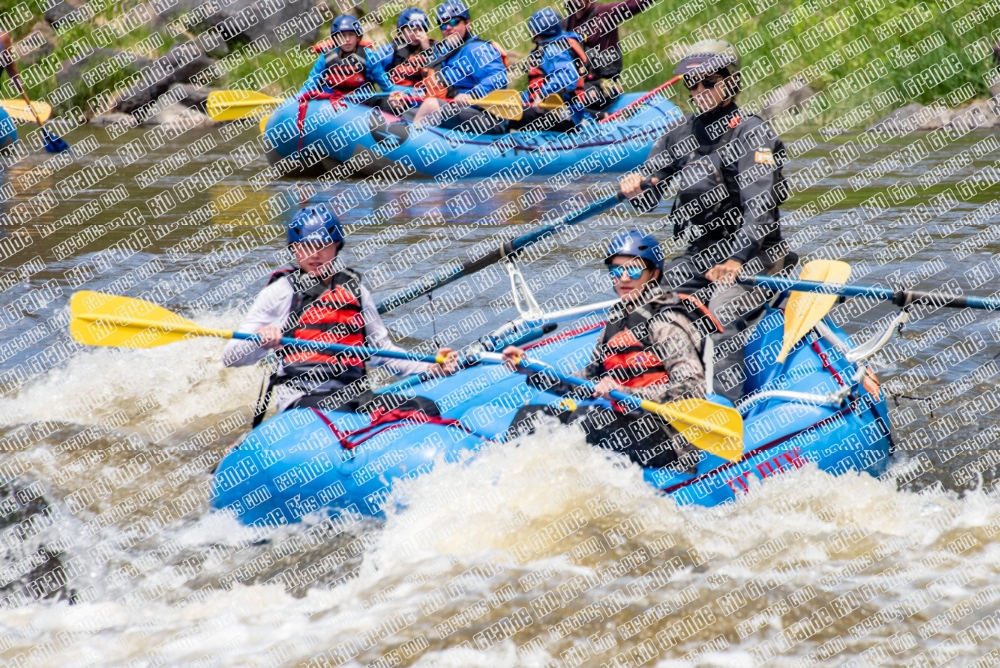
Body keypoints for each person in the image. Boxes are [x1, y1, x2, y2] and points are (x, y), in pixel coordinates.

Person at [619, 40, 790, 404]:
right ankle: (655, 390)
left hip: (756, 255)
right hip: (703, 254)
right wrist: (637, 185)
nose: (699, 92)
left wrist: (735, 261)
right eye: (692, 85)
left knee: (723, 310)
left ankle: (722, 408)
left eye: (708, 82)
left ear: (731, 82)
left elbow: (759, 211)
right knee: (650, 300)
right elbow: (650, 193)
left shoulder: (752, 133)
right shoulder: (680, 134)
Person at [223, 206, 458, 422]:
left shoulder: (357, 292)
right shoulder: (279, 293)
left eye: (322, 245)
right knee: (343, 413)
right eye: (306, 246)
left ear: (337, 245)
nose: (314, 255)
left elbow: (383, 353)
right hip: (302, 400)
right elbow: (230, 357)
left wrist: (431, 367)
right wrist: (261, 341)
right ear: (294, 248)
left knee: (425, 407)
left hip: (355, 396)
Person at [502, 232, 709, 472]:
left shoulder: (666, 323)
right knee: (531, 415)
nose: (623, 278)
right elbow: (588, 381)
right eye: (615, 271)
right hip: (623, 423)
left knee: (590, 417)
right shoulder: (616, 321)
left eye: (633, 271)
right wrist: (531, 371)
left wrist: (625, 392)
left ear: (654, 274)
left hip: (668, 438)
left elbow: (693, 388)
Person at [408, 0, 508, 133]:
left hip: (484, 116)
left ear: (467, 23)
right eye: (443, 25)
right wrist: (406, 97)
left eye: (454, 22)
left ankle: (414, 146)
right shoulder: (444, 55)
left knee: (431, 106)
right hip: (453, 111)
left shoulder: (478, 49)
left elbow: (498, 77)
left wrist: (472, 95)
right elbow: (432, 90)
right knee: (407, 114)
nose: (448, 27)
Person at [563, 0, 656, 112]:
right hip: (578, 84)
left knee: (572, 98)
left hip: (602, 86)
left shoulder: (605, 13)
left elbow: (635, 4)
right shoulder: (566, 23)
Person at [510, 8, 591, 132]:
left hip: (566, 116)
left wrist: (542, 95)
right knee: (513, 111)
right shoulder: (551, 47)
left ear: (537, 32)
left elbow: (567, 77)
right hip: (553, 112)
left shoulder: (554, 50)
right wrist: (519, 101)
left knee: (513, 117)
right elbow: (535, 89)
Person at [297, 15, 394, 98]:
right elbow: (310, 85)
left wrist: (407, 91)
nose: (347, 39)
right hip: (332, 106)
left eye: (351, 35)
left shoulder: (369, 56)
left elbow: (388, 87)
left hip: (361, 106)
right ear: (335, 38)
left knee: (388, 103)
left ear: (358, 37)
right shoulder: (325, 57)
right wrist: (295, 99)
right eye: (342, 36)